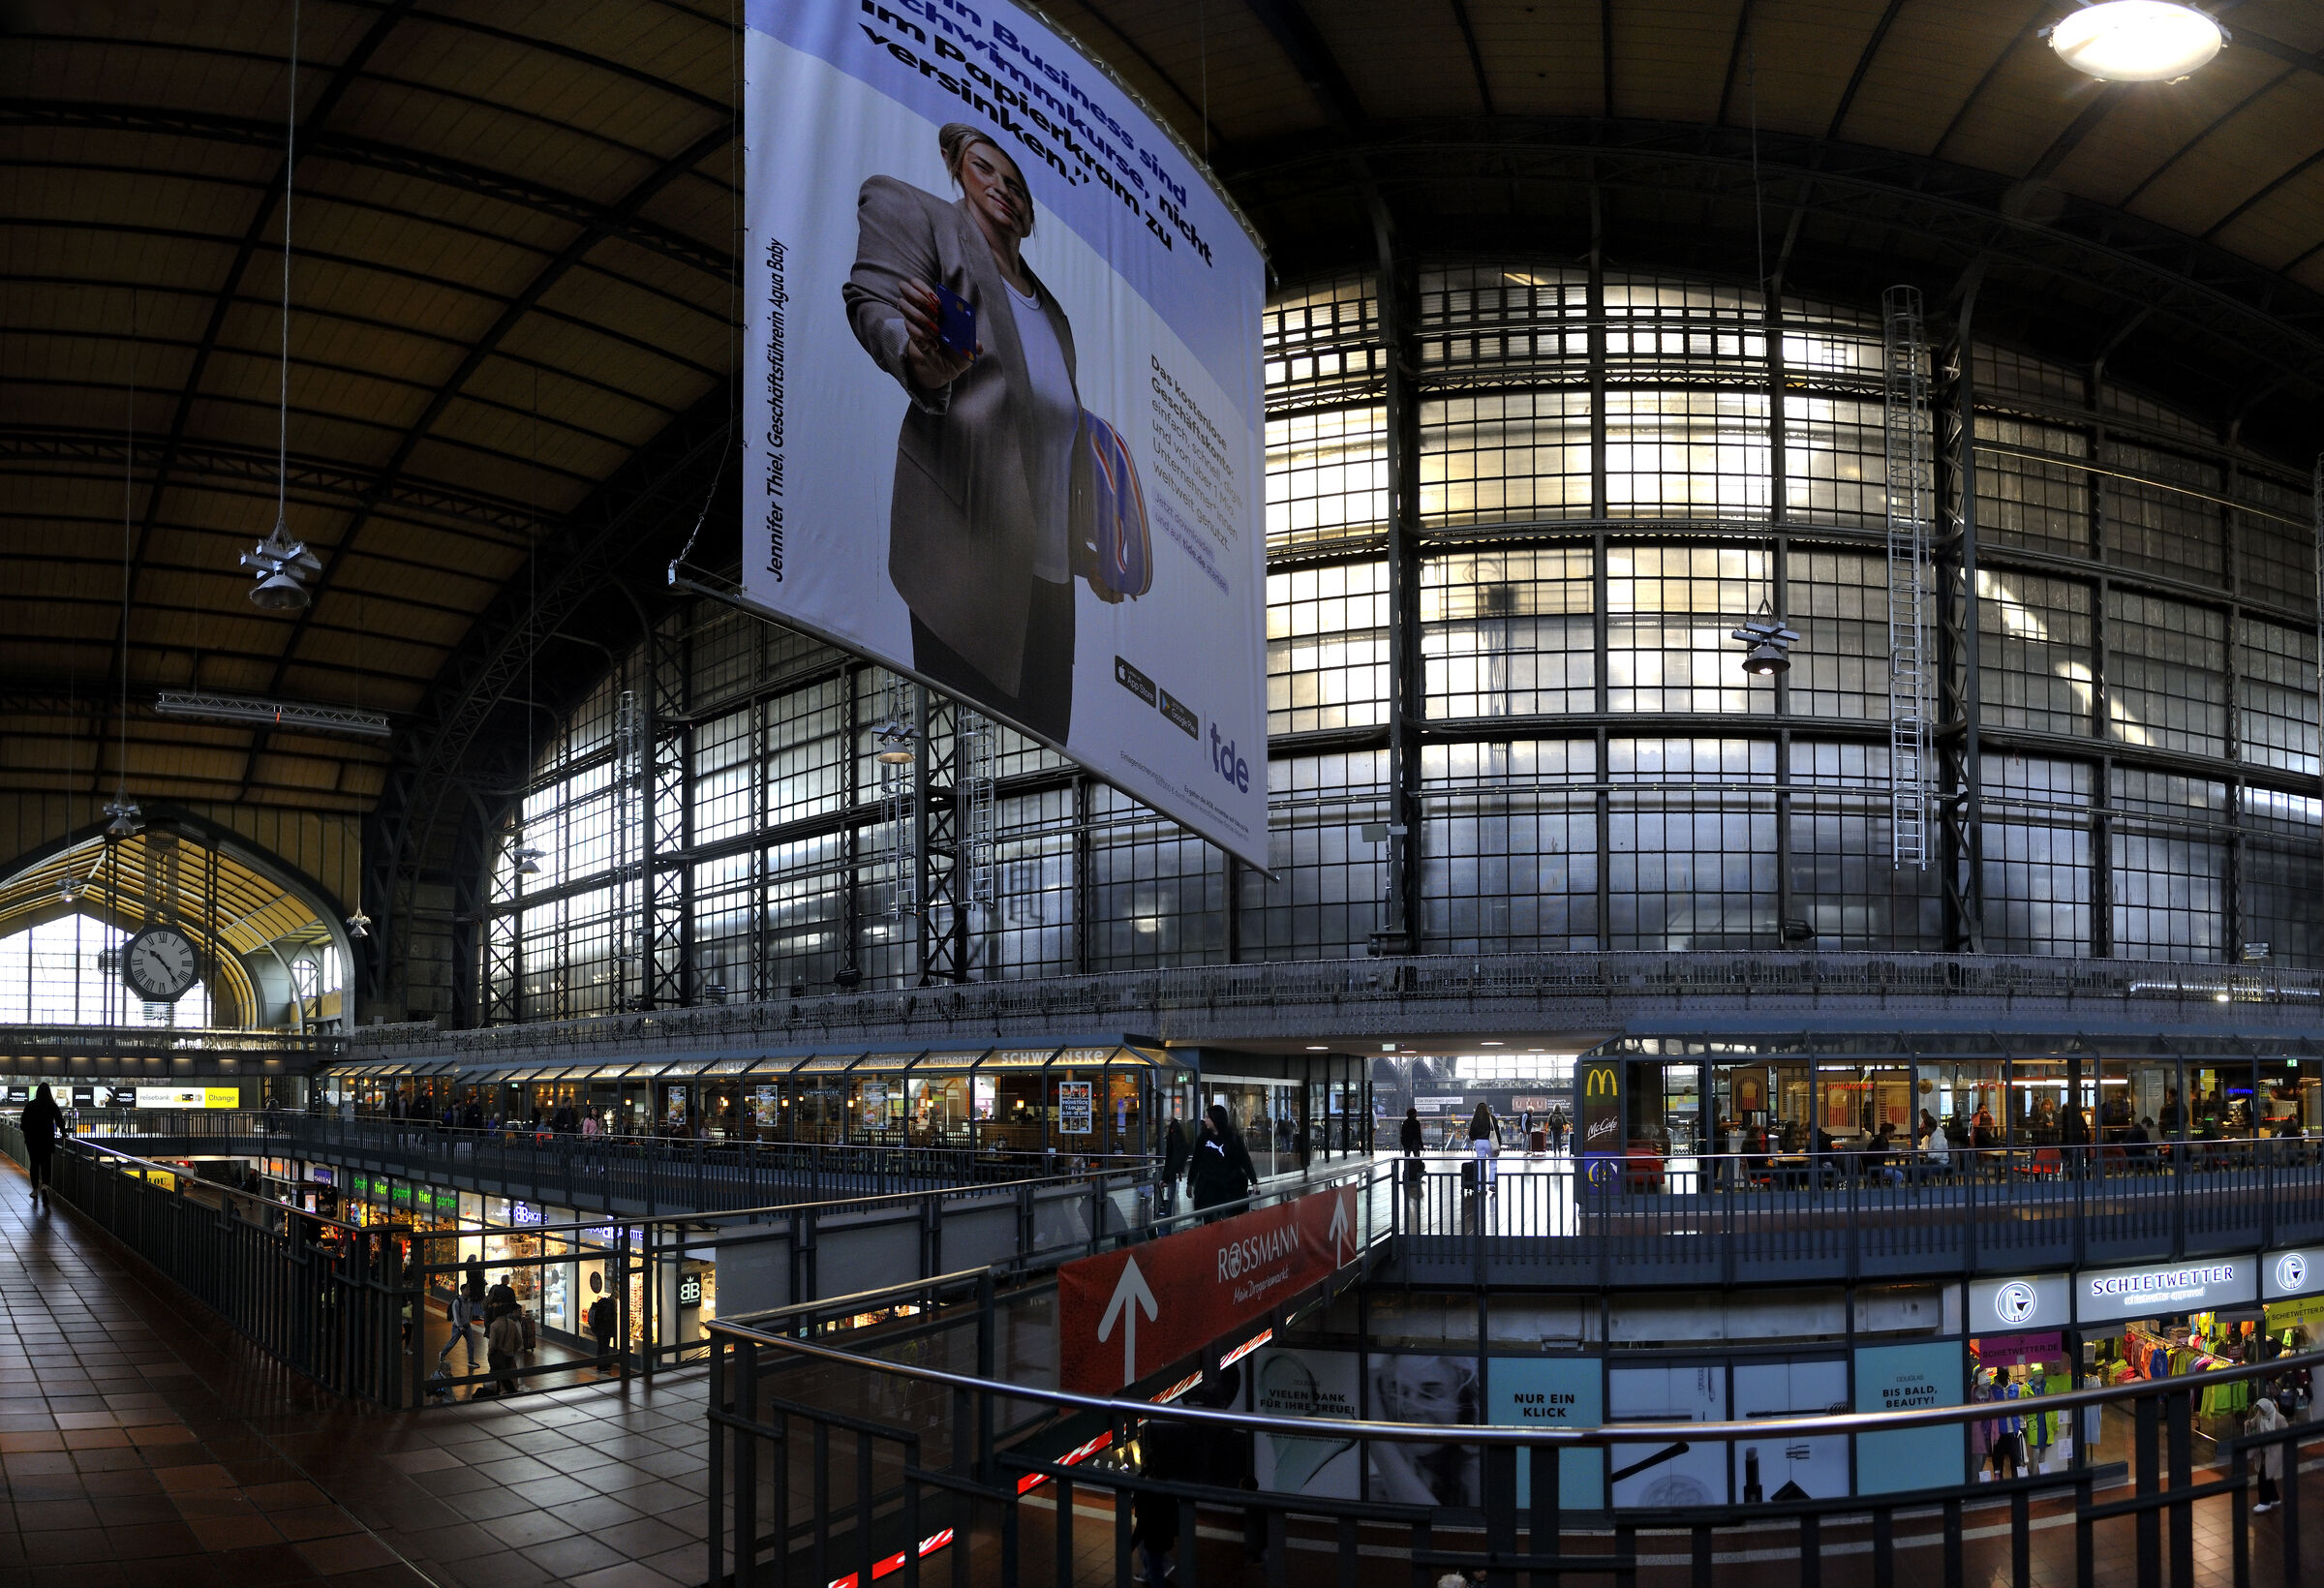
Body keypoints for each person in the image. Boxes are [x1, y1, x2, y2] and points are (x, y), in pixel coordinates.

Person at [846, 122, 1119, 746]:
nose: (1001, 188)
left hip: (1048, 589)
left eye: (1016, 184)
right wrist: (916, 359)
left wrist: (1088, 554)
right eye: (984, 169)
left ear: (1030, 212)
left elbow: (1051, 448)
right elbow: (872, 301)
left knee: (1043, 760)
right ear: (956, 170)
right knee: (957, 764)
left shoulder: (1054, 315)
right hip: (962, 557)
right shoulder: (921, 214)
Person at [1188, 1104, 1257, 1218]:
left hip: (1229, 1188)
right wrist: (1190, 1182)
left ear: (1215, 1119)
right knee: (1209, 1220)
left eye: (1207, 1117)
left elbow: (1245, 1160)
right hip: (1208, 1189)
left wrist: (1253, 1181)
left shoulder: (1233, 1138)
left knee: (1228, 1220)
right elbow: (1196, 1161)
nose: (1205, 1120)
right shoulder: (1203, 1138)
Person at [19, 1084, 65, 1208]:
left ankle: (35, 1190)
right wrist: (63, 1132)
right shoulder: (52, 1105)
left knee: (34, 1164)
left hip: (32, 1140)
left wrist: (27, 1134)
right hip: (47, 1140)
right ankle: (44, 1186)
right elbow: (59, 1120)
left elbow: (23, 1123)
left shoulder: (30, 1105)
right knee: (46, 1164)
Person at [2249, 1391, 2287, 1512]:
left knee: (2263, 1476)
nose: (2261, 1411)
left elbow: (2286, 1435)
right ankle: (2274, 1498)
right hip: (2264, 1451)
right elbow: (2254, 1423)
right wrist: (2248, 1424)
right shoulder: (2260, 1415)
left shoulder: (2279, 1419)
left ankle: (2264, 1502)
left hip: (2274, 1452)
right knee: (2267, 1475)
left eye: (2262, 1409)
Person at [482, 1301, 525, 1399]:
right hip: (509, 1355)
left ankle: (499, 1392)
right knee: (506, 1374)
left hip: (498, 1355)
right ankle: (509, 1392)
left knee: (497, 1375)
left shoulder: (494, 1325)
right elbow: (519, 1341)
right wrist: (512, 1349)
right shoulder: (512, 1324)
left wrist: (489, 1353)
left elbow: (492, 1344)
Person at [439, 1279, 480, 1377]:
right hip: (458, 1326)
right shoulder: (457, 1302)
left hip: (466, 1325)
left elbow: (470, 1312)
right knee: (453, 1341)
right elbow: (456, 1315)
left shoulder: (469, 1301)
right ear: (462, 1290)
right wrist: (460, 1326)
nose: (468, 1291)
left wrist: (469, 1322)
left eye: (469, 1290)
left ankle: (471, 1361)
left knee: (471, 1342)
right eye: (467, 1290)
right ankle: (442, 1354)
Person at [586, 1271, 619, 1379]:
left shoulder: (604, 1303)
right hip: (604, 1330)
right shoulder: (610, 1305)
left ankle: (601, 1365)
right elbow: (608, 1318)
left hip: (598, 1329)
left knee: (601, 1346)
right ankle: (603, 1366)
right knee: (604, 1347)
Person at [1159, 1117, 1189, 1215]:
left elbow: (1172, 1156)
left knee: (1171, 1196)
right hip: (1174, 1170)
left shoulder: (1174, 1130)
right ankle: (1170, 1216)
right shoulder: (1175, 1130)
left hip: (1174, 1171)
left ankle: (1169, 1217)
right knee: (1171, 1195)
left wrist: (1166, 1177)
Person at [1467, 1102, 1499, 1190]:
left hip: (1479, 1142)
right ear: (1486, 1109)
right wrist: (1499, 1143)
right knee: (1493, 1162)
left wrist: (1473, 1138)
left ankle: (1481, 1187)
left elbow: (1471, 1133)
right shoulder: (1491, 1118)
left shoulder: (1475, 1119)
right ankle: (1492, 1184)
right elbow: (1496, 1131)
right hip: (1490, 1142)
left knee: (1480, 1164)